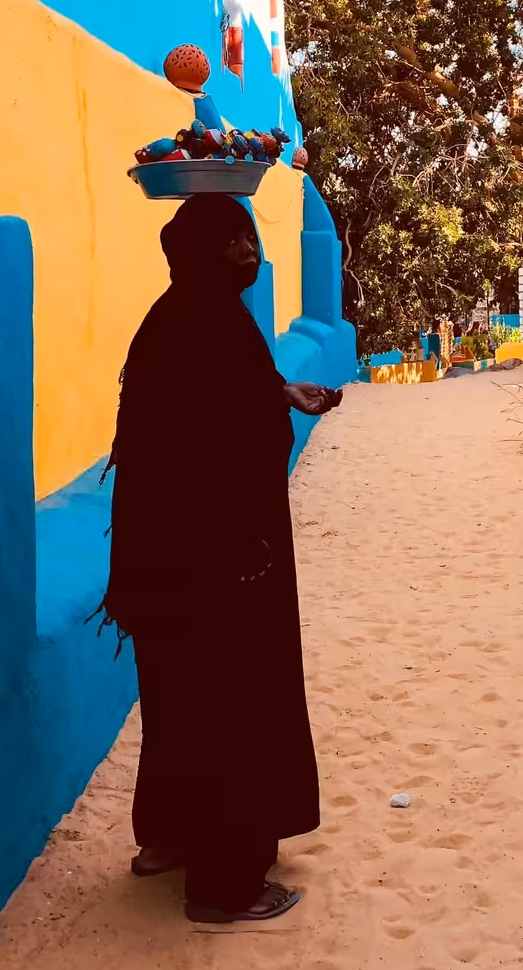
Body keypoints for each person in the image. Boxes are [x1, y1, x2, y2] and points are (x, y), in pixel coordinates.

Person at [96, 192, 342, 923]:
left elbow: (219, 399)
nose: (250, 252)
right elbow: (196, 458)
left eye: (249, 236)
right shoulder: (204, 324)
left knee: (180, 702)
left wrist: (279, 394)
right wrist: (240, 549)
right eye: (232, 240)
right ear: (199, 252)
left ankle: (169, 838)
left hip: (171, 563)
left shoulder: (182, 317)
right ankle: (224, 887)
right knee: (230, 709)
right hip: (218, 562)